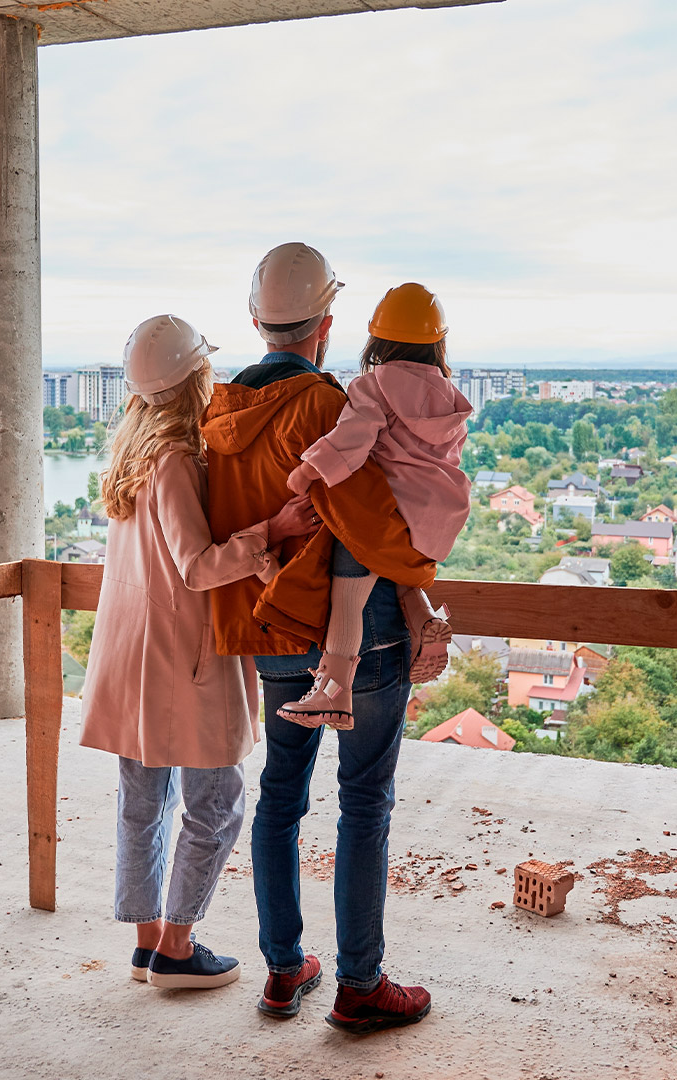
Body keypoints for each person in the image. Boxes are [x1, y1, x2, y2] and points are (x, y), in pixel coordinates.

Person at [202, 243, 438, 1034]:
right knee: (364, 803)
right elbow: (373, 525)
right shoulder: (327, 404)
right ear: (328, 323)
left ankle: (280, 969)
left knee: (280, 796)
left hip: (271, 629)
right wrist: (424, 571)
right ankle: (359, 986)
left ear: (254, 319)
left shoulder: (219, 411)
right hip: (357, 638)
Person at [76, 314, 319, 991]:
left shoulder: (131, 452)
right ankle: (178, 949)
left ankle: (147, 942)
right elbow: (196, 566)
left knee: (142, 801)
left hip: (128, 652)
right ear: (194, 376)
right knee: (216, 802)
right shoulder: (179, 458)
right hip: (178, 655)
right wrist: (274, 528)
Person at [277, 283, 470, 728]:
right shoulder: (451, 397)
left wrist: (307, 472)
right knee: (400, 570)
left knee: (348, 597)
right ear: (438, 343)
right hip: (436, 521)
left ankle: (334, 691)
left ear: (377, 339)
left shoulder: (374, 385)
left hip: (384, 515)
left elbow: (351, 441)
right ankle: (424, 620)